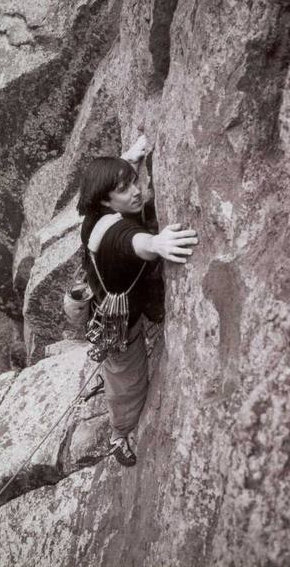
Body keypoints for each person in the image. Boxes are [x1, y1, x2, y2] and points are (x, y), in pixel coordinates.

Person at [77, 136, 198, 467]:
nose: (136, 191)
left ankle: (110, 374)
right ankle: (120, 435)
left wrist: (129, 161)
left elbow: (112, 188)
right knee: (128, 386)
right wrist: (157, 243)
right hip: (122, 326)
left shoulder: (93, 213)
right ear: (105, 201)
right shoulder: (115, 235)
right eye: (124, 188)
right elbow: (133, 242)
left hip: (114, 300)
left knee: (118, 371)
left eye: (133, 182)